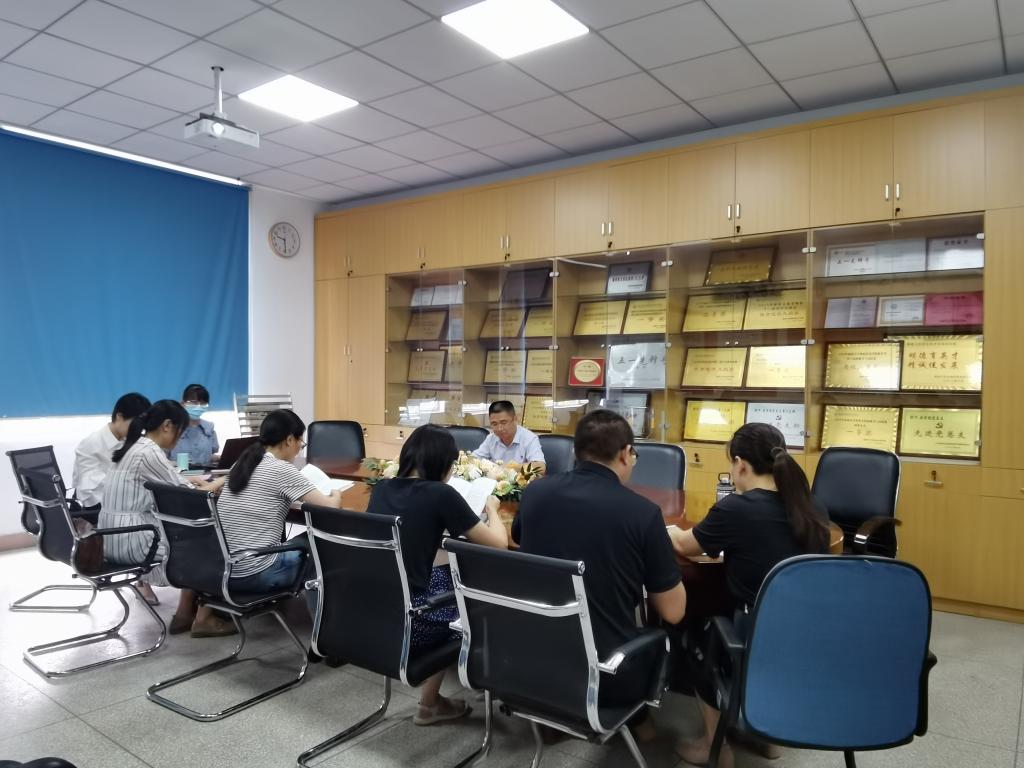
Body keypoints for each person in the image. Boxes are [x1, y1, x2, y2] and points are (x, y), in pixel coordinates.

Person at [666, 422, 830, 768]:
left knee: (693, 633)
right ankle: (768, 740)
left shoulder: (737, 509)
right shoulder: (812, 506)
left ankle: (714, 746)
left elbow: (685, 545)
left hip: (752, 631)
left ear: (740, 464)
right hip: (804, 634)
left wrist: (665, 527)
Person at [514, 409, 686, 700]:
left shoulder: (535, 493)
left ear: (575, 452)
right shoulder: (642, 513)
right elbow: (673, 611)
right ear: (626, 453)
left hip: (533, 657)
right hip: (608, 670)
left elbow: (518, 538)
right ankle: (639, 720)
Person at [367, 424, 508, 726]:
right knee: (476, 595)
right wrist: (493, 509)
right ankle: (461, 692)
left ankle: (435, 701)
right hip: (412, 624)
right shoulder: (440, 494)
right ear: (444, 463)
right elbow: (499, 544)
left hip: (373, 614)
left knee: (447, 575)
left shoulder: (382, 487)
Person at [102, 399, 233, 637]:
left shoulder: (133, 445)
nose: (178, 439)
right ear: (167, 426)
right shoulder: (149, 452)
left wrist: (191, 480)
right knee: (211, 543)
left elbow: (170, 481)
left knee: (192, 536)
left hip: (111, 536)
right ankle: (204, 618)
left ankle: (184, 614)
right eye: (179, 433)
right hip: (133, 540)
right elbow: (190, 496)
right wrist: (224, 480)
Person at [216, 409, 342, 596]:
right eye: (300, 442)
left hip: (223, 571)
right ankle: (321, 606)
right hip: (255, 573)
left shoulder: (243, 463)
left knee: (301, 540)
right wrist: (336, 491)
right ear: (289, 440)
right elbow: (331, 507)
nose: (300, 448)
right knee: (323, 539)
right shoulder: (281, 469)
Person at [72, 392, 151, 511]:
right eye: (134, 424)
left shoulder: (127, 440)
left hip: (123, 502)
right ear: (119, 416)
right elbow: (88, 492)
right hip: (98, 509)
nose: (138, 430)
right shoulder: (91, 444)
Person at [472, 400, 545, 470]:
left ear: (515, 419)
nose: (499, 428)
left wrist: (508, 468)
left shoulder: (529, 438)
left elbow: (540, 467)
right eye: (494, 424)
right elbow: (473, 459)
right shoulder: (491, 438)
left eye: (503, 422)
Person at [168, 383, 219, 467]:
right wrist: (177, 464)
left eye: (203, 403)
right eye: (194, 402)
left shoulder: (209, 428)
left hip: (205, 473)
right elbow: (161, 460)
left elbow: (211, 453)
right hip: (177, 474)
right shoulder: (172, 428)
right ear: (183, 403)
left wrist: (219, 458)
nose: (198, 406)